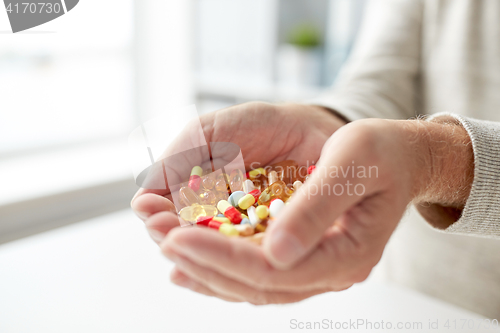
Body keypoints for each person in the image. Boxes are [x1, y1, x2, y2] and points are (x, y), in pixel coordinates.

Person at [131, 0, 500, 317]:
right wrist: (330, 124)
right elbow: (381, 78)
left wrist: (436, 161)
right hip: (406, 299)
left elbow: (420, 155)